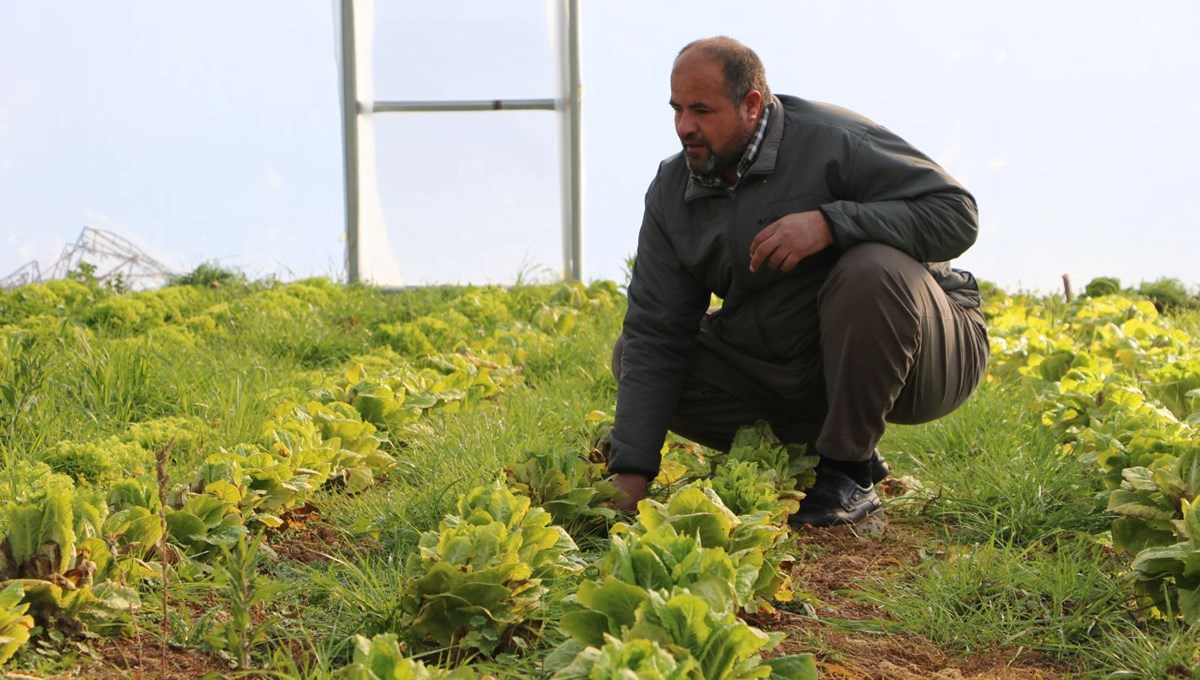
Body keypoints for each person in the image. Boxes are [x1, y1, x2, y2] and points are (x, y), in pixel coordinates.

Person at [606, 36, 990, 526]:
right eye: (677, 109)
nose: (685, 127)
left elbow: (957, 214)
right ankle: (826, 447)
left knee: (871, 268)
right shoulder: (671, 192)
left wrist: (831, 223)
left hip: (931, 351)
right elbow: (657, 331)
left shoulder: (836, 139)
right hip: (798, 361)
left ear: (751, 105)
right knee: (633, 354)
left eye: (701, 110)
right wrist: (631, 472)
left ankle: (848, 471)